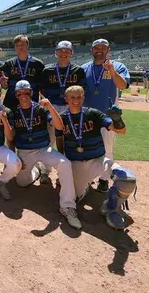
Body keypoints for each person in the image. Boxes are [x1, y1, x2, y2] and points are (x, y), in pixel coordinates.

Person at [57, 85, 137, 230]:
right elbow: (58, 137)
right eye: (72, 97)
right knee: (74, 197)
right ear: (66, 99)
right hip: (76, 164)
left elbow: (121, 131)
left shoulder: (93, 113)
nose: (76, 100)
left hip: (98, 160)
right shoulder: (61, 118)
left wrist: (117, 119)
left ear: (84, 98)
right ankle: (84, 188)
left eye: (79, 97)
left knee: (127, 179)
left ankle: (110, 208)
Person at [11, 80, 81, 229]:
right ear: (16, 95)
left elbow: (59, 126)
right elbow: (9, 137)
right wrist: (13, 156)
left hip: (43, 149)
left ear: (31, 93)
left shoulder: (41, 109)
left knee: (65, 163)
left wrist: (49, 107)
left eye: (26, 92)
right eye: (20, 93)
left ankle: (68, 206)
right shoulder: (14, 112)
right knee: (21, 183)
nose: (23, 95)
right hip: (24, 151)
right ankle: (37, 170)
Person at [81, 38, 130, 193]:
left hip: (107, 116)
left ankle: (103, 180)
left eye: (103, 47)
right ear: (92, 50)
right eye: (96, 47)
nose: (99, 50)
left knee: (107, 150)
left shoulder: (118, 66)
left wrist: (112, 71)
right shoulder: (84, 68)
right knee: (86, 148)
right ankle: (86, 179)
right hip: (87, 116)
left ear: (108, 50)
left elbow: (123, 85)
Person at [39, 40, 86, 183]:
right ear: (56, 53)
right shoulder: (47, 71)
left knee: (69, 140)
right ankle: (45, 171)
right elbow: (41, 91)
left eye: (67, 51)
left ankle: (64, 174)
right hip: (52, 107)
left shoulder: (78, 71)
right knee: (50, 139)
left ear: (71, 53)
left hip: (70, 108)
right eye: (61, 51)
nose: (64, 53)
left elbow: (82, 92)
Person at [0, 35, 44, 109]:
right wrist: (3, 83)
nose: (20, 47)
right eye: (17, 45)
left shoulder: (38, 64)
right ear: (15, 48)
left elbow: (42, 86)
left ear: (28, 45)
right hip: (12, 100)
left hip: (31, 99)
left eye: (22, 44)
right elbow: (5, 86)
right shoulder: (8, 64)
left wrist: (42, 100)